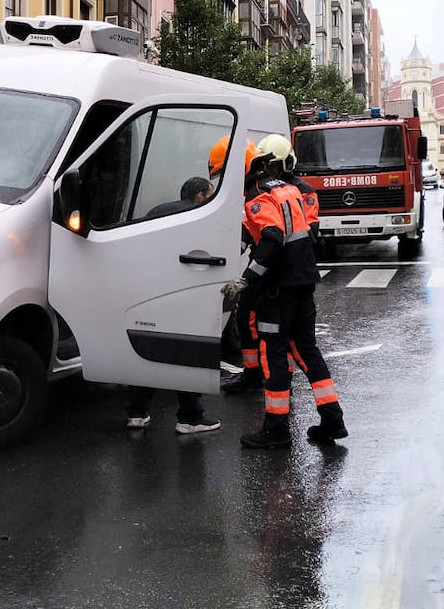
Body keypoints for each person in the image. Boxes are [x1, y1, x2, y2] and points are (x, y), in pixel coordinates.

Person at [126, 145, 251, 435]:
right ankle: (190, 417)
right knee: (188, 356)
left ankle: (136, 413)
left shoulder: (157, 212)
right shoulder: (200, 218)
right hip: (183, 294)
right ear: (199, 197)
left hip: (149, 292)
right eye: (210, 195)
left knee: (149, 353)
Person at [231, 134, 347, 449]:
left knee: (274, 353)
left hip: (278, 289)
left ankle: (276, 428)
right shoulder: (288, 189)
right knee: (307, 350)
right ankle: (332, 419)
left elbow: (271, 237)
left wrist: (246, 279)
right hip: (302, 282)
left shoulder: (257, 196)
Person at [146, 176, 213, 219]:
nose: (211, 201)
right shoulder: (193, 217)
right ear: (200, 195)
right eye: (210, 196)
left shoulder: (157, 210)